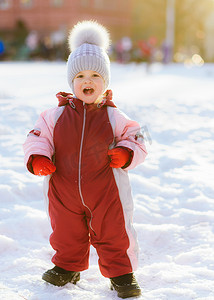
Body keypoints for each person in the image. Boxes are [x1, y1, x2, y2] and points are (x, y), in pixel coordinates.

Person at [23, 20, 147, 298]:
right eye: (79, 76)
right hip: (63, 189)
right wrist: (37, 157)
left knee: (114, 230)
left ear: (105, 82)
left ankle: (121, 271)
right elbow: (35, 137)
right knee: (65, 231)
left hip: (106, 191)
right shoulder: (53, 116)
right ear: (71, 81)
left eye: (94, 76)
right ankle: (67, 266)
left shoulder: (115, 116)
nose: (87, 81)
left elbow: (140, 138)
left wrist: (126, 152)